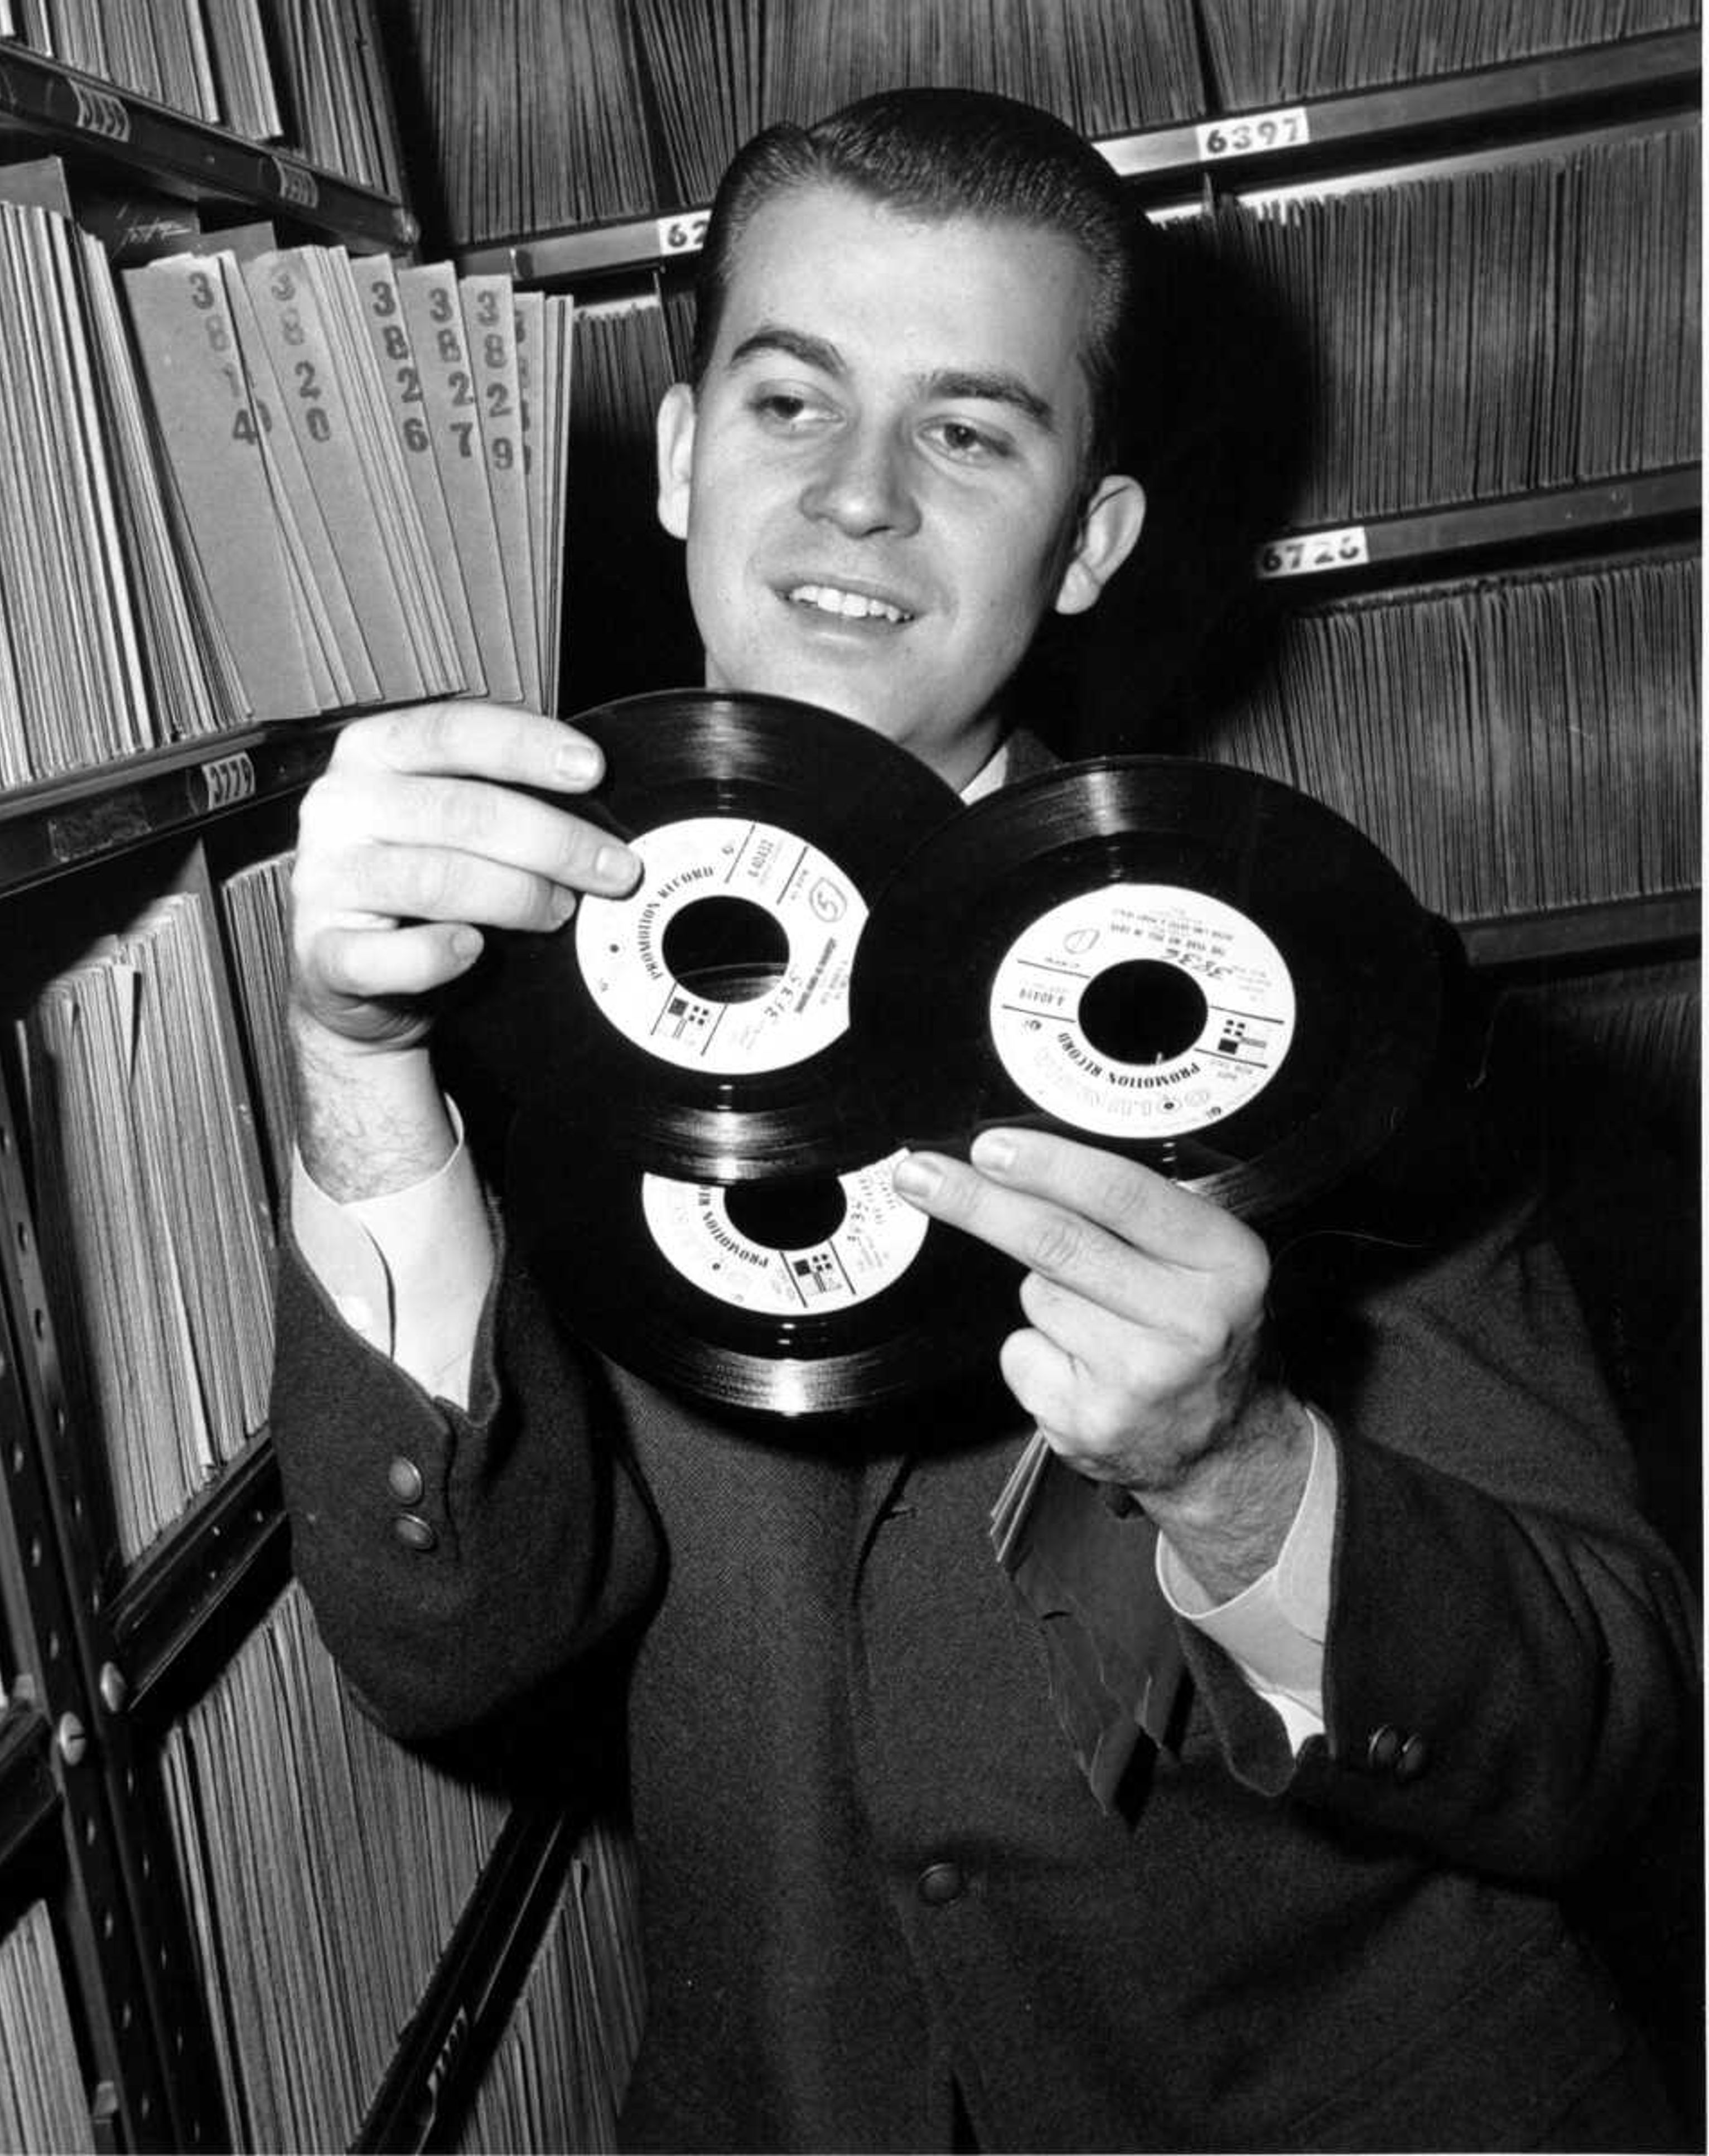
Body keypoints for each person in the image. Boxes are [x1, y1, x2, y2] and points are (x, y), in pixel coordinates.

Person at [270, 89, 1697, 2151]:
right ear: (678, 460)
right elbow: (455, 1645)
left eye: (965, 430)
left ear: (1093, 532)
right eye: (788, 402)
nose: (855, 499)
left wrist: (1243, 1475)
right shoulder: (472, 964)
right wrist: (359, 1073)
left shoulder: (1310, 998)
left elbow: (1612, 1720)